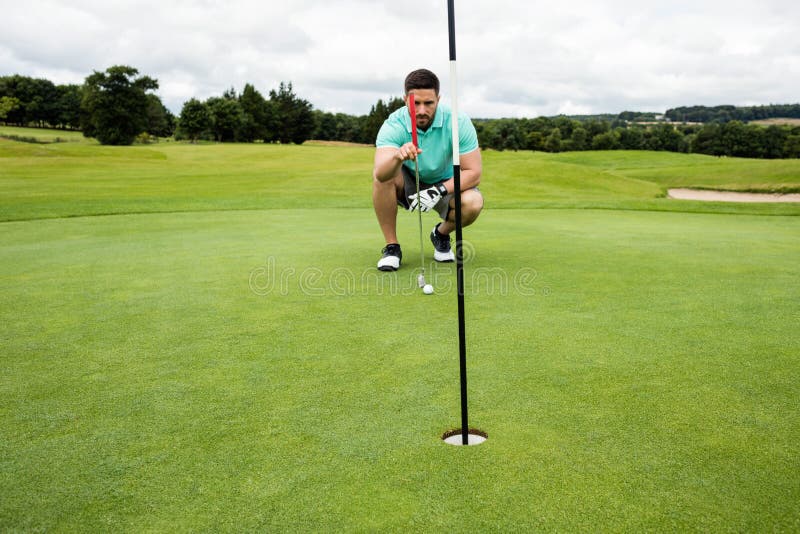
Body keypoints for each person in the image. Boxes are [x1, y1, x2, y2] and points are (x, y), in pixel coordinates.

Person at [372, 68, 483, 271]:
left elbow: (473, 172)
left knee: (473, 203)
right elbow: (380, 173)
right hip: (408, 181)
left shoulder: (458, 122)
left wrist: (438, 190)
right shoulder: (394, 124)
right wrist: (398, 157)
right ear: (405, 99)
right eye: (415, 103)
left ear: (438, 99)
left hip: (446, 183)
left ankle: (440, 234)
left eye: (428, 103)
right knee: (382, 179)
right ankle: (392, 247)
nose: (422, 110)